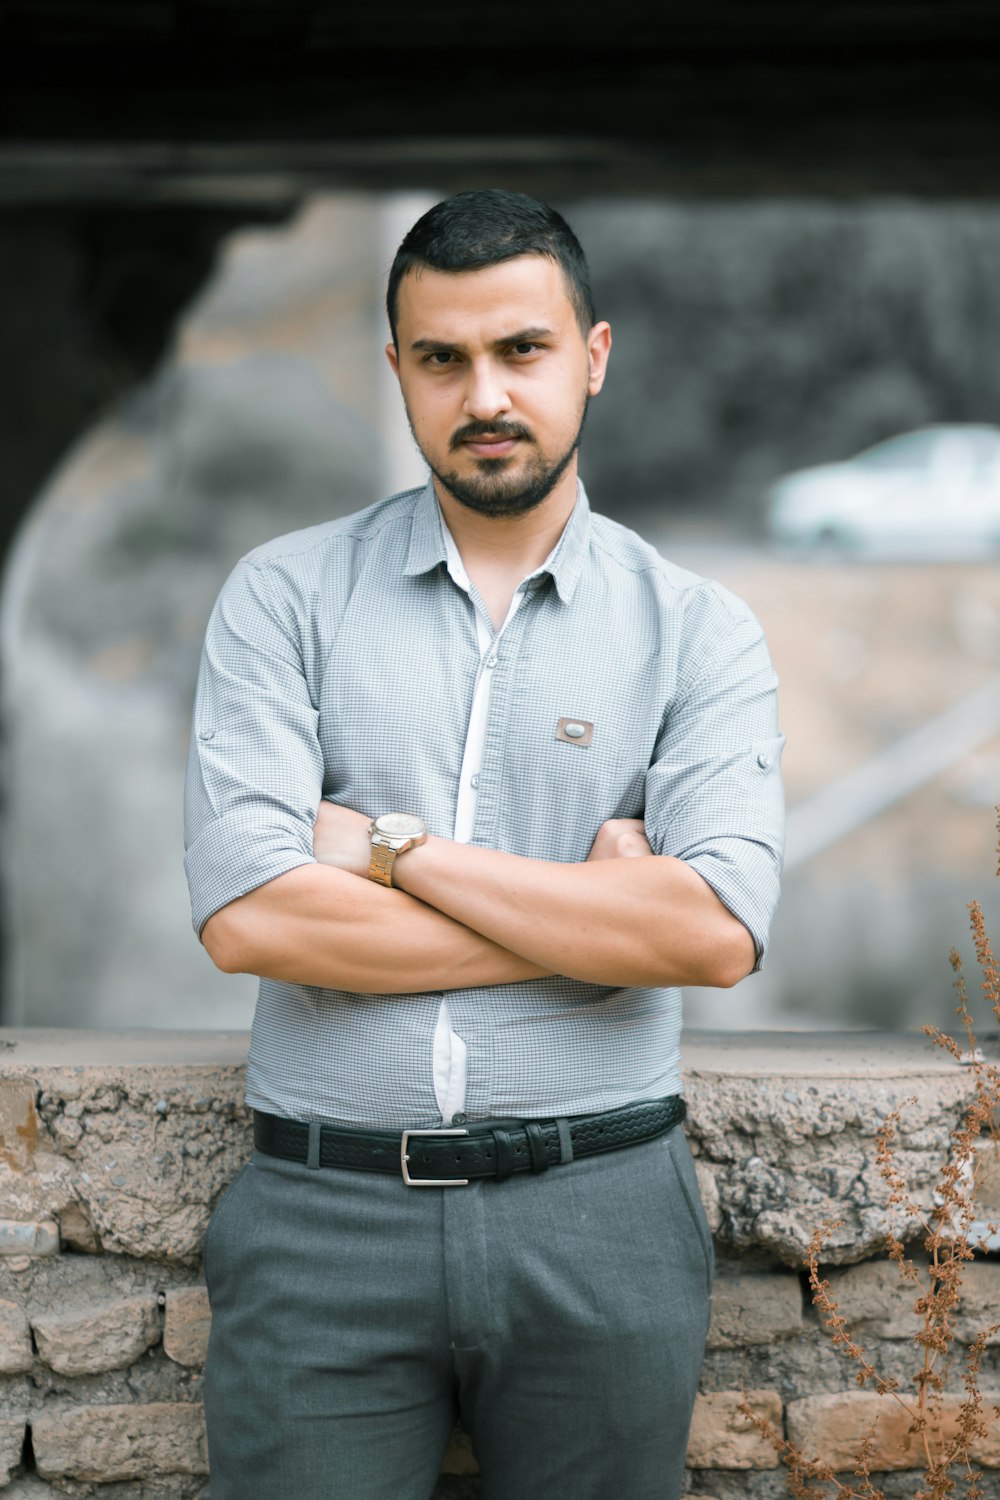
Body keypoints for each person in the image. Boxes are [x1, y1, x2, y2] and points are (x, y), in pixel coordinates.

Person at [184, 188, 785, 1500]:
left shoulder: (697, 629)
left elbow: (711, 934)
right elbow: (252, 920)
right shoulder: (283, 598)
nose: (486, 394)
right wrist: (587, 921)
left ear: (594, 357)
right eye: (444, 360)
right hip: (322, 1221)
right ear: (396, 369)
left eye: (522, 351)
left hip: (604, 1211)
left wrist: (396, 854)